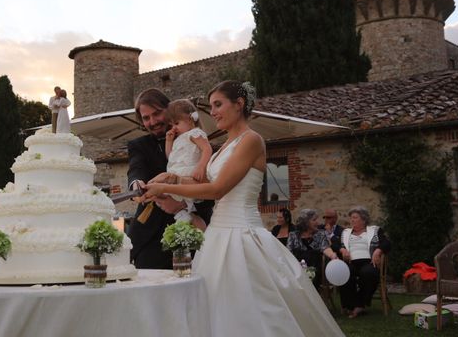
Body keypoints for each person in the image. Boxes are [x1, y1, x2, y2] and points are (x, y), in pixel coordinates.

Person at [143, 81, 344, 336]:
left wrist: (166, 190)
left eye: (218, 104)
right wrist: (167, 179)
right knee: (215, 306)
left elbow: (217, 190)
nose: (212, 112)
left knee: (254, 308)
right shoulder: (223, 148)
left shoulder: (251, 141)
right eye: (211, 106)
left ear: (238, 105)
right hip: (217, 234)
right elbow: (202, 182)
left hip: (242, 233)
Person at [127, 88, 214, 269]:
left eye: (157, 114)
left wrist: (182, 206)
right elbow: (136, 168)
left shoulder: (197, 141)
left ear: (169, 109)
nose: (152, 122)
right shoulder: (138, 145)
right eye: (146, 118)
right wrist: (136, 183)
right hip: (150, 239)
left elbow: (211, 186)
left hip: (192, 232)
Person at [152, 99, 212, 228]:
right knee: (159, 196)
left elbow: (207, 149)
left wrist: (201, 166)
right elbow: (171, 157)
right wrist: (169, 141)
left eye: (177, 123)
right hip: (176, 173)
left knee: (181, 199)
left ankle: (190, 219)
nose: (174, 128)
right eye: (171, 124)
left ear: (191, 119)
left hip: (189, 174)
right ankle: (185, 217)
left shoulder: (195, 133)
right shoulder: (179, 139)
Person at [338, 206, 391, 318]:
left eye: (355, 217)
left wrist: (377, 251)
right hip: (351, 262)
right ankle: (350, 305)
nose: (352, 220)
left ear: (363, 219)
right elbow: (335, 244)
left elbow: (386, 243)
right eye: (351, 218)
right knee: (344, 273)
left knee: (368, 273)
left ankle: (359, 304)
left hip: (369, 261)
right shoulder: (345, 232)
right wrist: (342, 249)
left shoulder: (375, 230)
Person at [288, 208, 338, 288]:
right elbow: (288, 253)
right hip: (297, 267)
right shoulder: (293, 235)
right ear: (306, 222)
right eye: (314, 220)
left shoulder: (321, 234)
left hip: (314, 268)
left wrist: (332, 255)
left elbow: (325, 247)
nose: (317, 223)